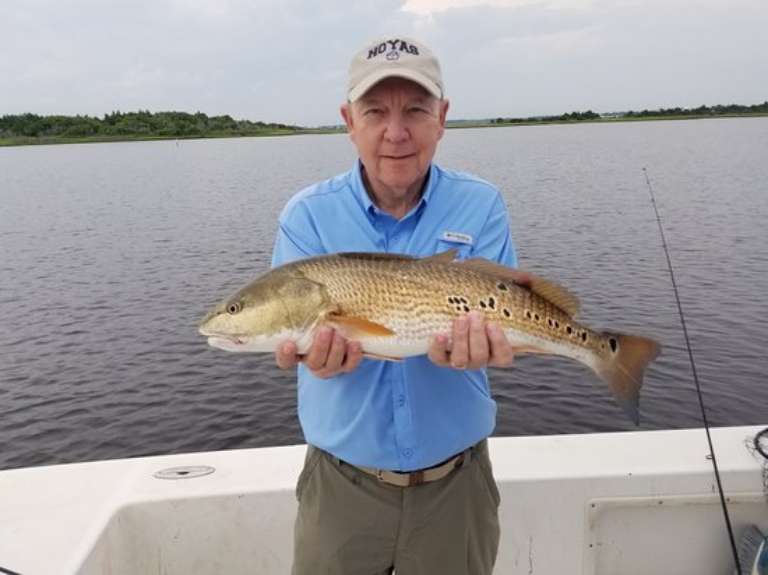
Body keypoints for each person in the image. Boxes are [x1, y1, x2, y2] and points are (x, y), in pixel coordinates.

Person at [271, 36, 519, 575]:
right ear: (348, 120)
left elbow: (509, 314)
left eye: (415, 110)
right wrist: (311, 354)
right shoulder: (307, 216)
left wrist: (491, 348)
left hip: (458, 489)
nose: (396, 132)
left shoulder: (481, 205)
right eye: (376, 111)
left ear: (442, 117)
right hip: (340, 488)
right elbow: (295, 337)